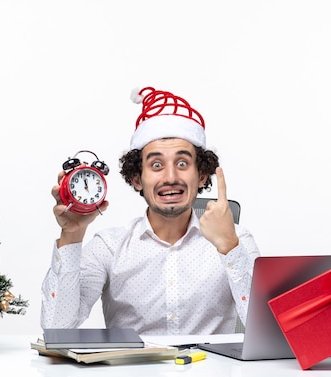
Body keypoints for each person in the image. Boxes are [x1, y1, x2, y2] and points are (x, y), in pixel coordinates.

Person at [40, 86, 260, 335]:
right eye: (156, 165)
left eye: (182, 163)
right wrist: (71, 234)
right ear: (137, 179)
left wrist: (229, 247)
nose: (170, 177)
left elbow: (266, 333)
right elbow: (57, 330)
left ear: (202, 176)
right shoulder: (110, 247)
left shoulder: (238, 240)